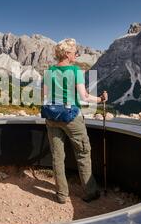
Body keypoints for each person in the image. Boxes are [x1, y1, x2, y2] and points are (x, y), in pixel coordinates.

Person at [43, 38, 108, 204]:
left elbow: (44, 95)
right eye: (74, 52)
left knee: (57, 157)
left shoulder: (48, 71)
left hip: (51, 117)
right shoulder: (76, 71)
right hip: (71, 117)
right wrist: (101, 99)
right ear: (66, 54)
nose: (76, 54)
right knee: (83, 153)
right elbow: (84, 96)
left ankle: (61, 194)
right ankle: (90, 191)